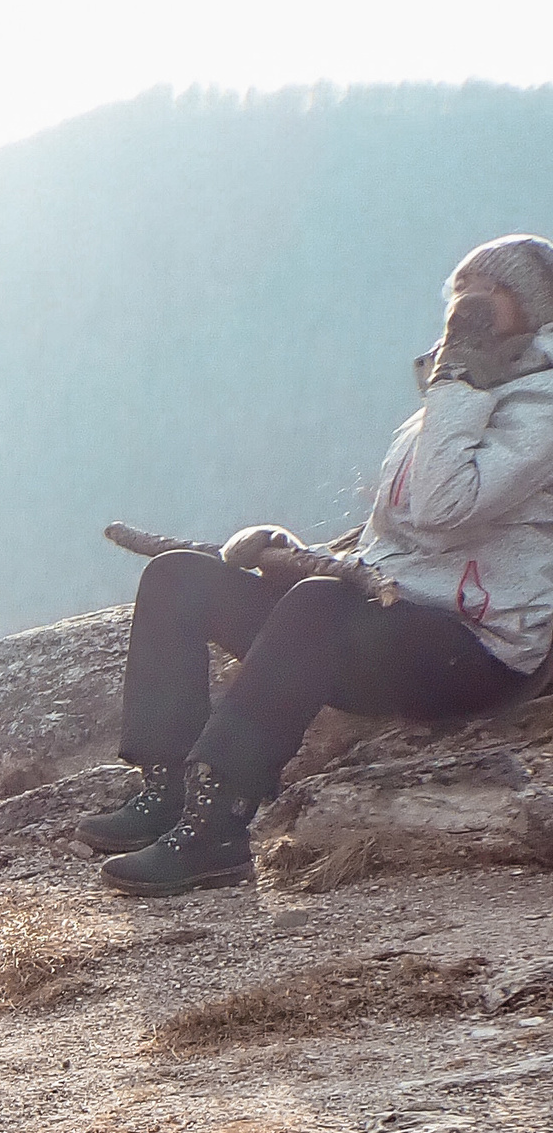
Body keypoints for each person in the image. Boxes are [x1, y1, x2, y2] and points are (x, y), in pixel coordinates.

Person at [90, 234, 553, 898]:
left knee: (320, 604)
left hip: (475, 652)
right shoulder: (458, 394)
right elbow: (395, 541)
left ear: (533, 307)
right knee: (179, 578)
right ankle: (164, 790)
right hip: (389, 622)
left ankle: (217, 823)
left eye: (493, 290)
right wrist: (300, 555)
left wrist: (460, 377)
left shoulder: (533, 403)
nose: (469, 304)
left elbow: (444, 507)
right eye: (463, 289)